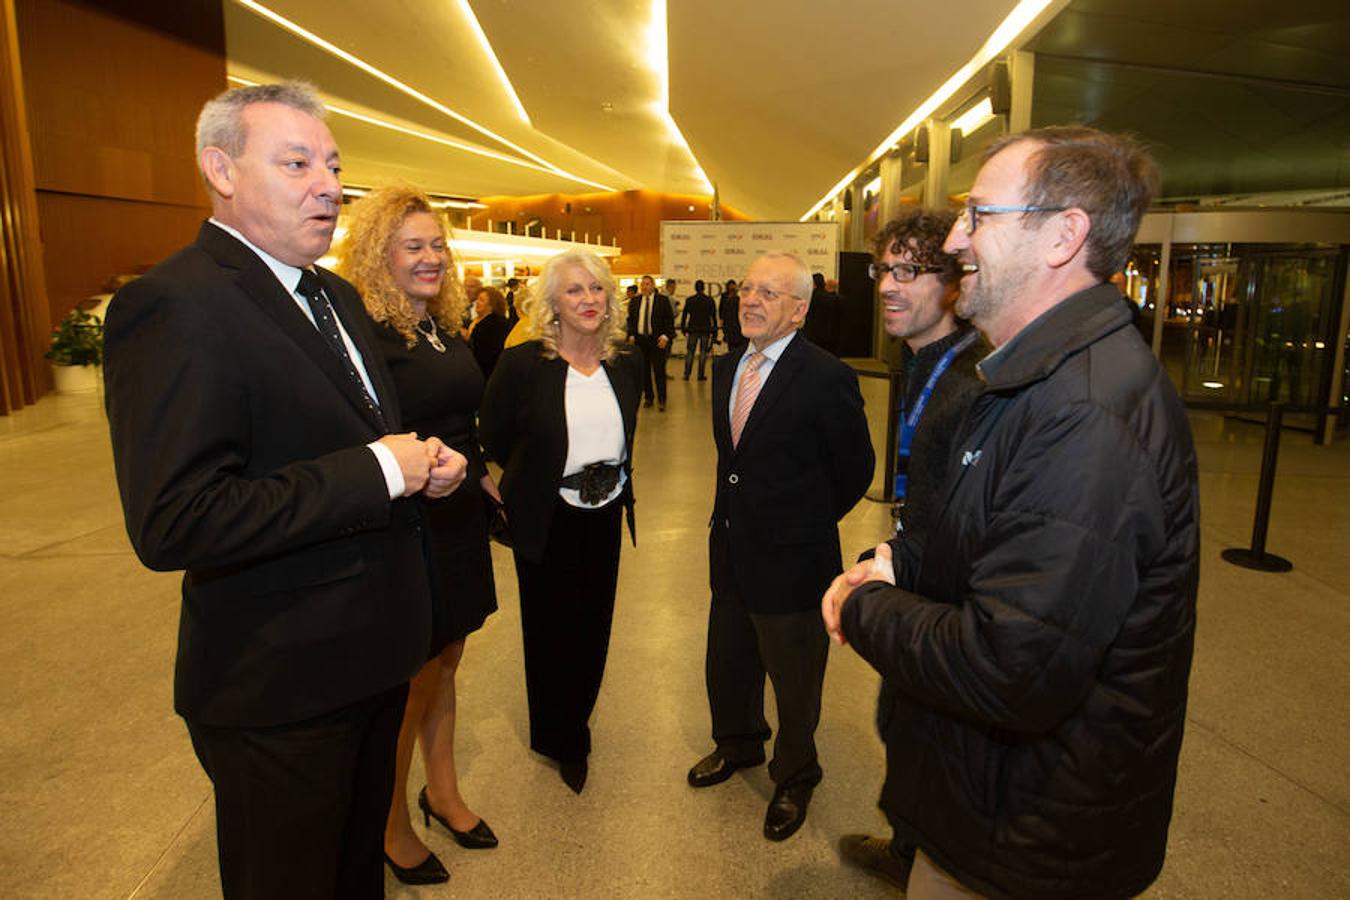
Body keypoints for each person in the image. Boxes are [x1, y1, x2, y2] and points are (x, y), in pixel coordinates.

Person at [102, 81, 468, 899]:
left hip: (373, 660)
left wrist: (420, 468)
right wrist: (379, 470)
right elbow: (176, 520)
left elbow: (347, 441)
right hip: (279, 687)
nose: (328, 185)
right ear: (220, 171)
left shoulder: (333, 295)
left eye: (333, 165)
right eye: (296, 162)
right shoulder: (173, 305)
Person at [822, 126, 1200, 899]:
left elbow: (1010, 668)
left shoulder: (1086, 412)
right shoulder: (1031, 377)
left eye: (980, 216)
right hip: (986, 806)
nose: (957, 237)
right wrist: (909, 565)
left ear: (1064, 235)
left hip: (1025, 837)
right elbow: (997, 544)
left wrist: (866, 608)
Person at [337, 185, 501, 887]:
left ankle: (444, 791)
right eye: (413, 246)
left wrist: (484, 473)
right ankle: (389, 821)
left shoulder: (440, 325)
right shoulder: (369, 339)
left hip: (459, 510)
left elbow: (463, 413)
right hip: (412, 522)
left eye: (437, 244)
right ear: (379, 255)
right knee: (413, 679)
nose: (431, 257)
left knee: (449, 662)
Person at [688, 252, 874, 842]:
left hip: (795, 560)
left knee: (794, 678)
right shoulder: (727, 369)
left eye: (768, 293)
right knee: (730, 660)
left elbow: (855, 469)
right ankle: (738, 742)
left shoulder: (826, 377)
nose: (751, 300)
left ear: (798, 310)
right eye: (747, 288)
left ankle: (796, 773)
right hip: (731, 550)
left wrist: (801, 524)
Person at [834, 208, 985, 889]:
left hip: (943, 588)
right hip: (914, 561)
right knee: (897, 715)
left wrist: (896, 564)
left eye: (909, 271)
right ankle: (909, 843)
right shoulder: (922, 360)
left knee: (915, 722)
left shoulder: (971, 380)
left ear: (953, 283)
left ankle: (917, 853)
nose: (889, 286)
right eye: (883, 269)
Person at [480, 250, 644, 795]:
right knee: (550, 629)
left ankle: (578, 720)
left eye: (597, 289)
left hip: (606, 510)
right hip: (548, 514)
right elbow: (498, 438)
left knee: (594, 625)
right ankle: (560, 736)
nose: (589, 300)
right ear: (552, 303)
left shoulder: (626, 362)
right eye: (575, 291)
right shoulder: (525, 365)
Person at [625, 274, 675, 410]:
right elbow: (631, 320)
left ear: (653, 286)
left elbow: (669, 321)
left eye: (647, 284)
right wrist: (630, 334)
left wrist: (665, 336)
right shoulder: (635, 301)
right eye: (643, 284)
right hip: (640, 341)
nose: (644, 286)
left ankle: (662, 400)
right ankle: (648, 397)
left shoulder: (662, 301)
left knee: (659, 371)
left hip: (657, 340)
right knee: (644, 371)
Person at [467, 284, 511, 377]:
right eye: (477, 299)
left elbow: (484, 354)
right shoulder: (475, 321)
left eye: (482, 300)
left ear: (492, 305)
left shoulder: (493, 325)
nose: (477, 302)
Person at [680, 279, 718, 380]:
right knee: (703, 352)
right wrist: (715, 331)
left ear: (695, 288)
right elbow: (713, 317)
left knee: (690, 352)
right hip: (706, 329)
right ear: (704, 288)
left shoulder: (690, 300)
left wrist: (683, 328)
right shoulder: (709, 300)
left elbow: (684, 315)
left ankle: (687, 374)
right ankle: (700, 375)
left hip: (692, 329)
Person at [802, 271, 841, 355]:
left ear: (813, 284)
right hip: (829, 335)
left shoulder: (809, 298)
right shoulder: (832, 299)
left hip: (811, 334)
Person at [718, 278, 744, 352]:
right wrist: (722, 319)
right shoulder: (726, 297)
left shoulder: (738, 300)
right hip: (732, 326)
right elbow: (721, 309)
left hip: (735, 326)